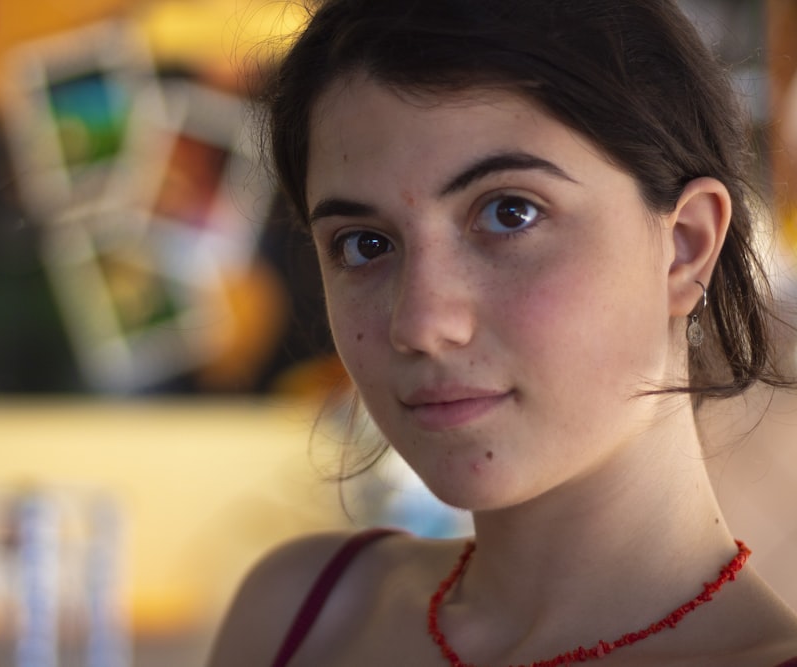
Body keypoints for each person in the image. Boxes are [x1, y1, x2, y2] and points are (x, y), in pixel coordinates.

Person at [208, 1, 797, 665]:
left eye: (510, 212)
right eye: (365, 243)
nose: (422, 324)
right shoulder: (304, 614)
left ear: (685, 247)